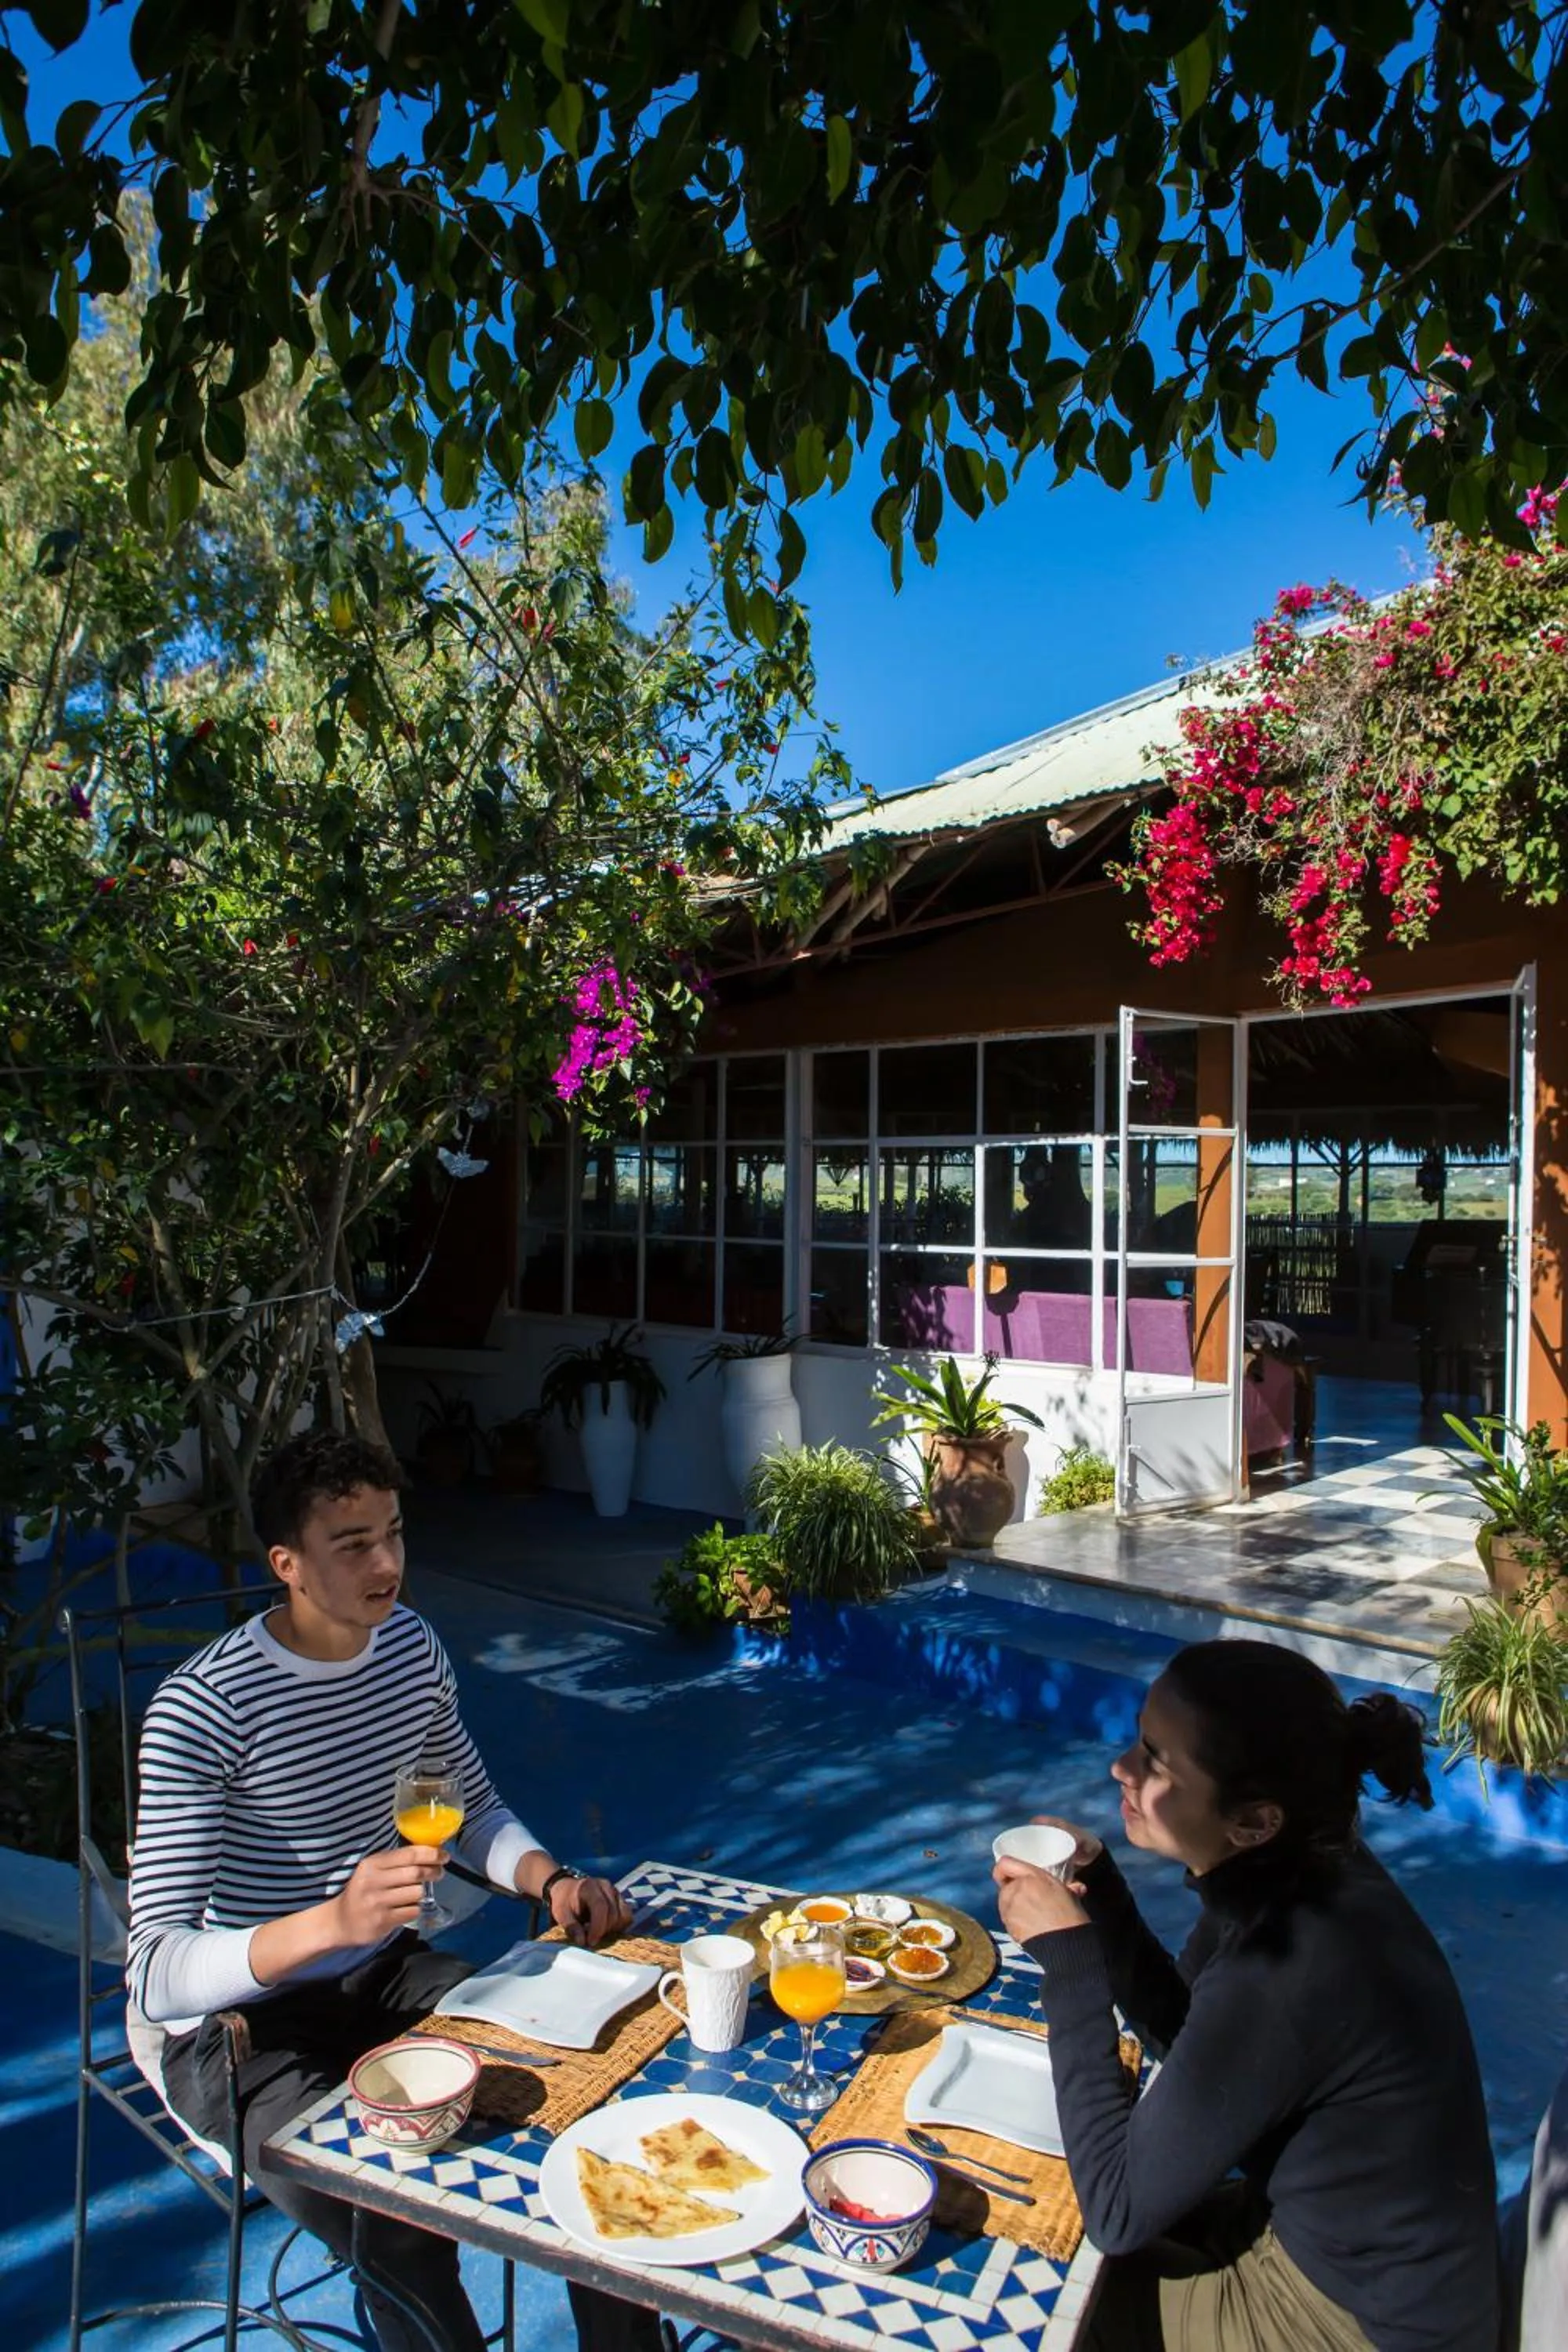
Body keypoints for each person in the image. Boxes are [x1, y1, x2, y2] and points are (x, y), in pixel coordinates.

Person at [127, 1429, 664, 2352]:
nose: (387, 1563)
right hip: (240, 2032)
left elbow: (470, 1808)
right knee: (401, 2224)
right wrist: (328, 1921)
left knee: (592, 2114)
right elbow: (154, 1976)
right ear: (286, 1564)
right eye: (354, 1544)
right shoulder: (202, 1710)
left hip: (383, 1977)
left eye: (395, 1533)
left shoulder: (407, 1648)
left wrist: (552, 1879)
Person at [993, 1639, 1499, 2352]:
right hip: (1331, 2253)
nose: (1122, 1768)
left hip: (1350, 2323)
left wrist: (1072, 1969)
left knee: (1024, 2292)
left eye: (1156, 1762)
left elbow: (1117, 2209)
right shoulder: (1299, 1873)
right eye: (1140, 1743)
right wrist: (1100, 1893)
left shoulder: (1287, 1962)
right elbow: (1193, 2034)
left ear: (1257, 1820)